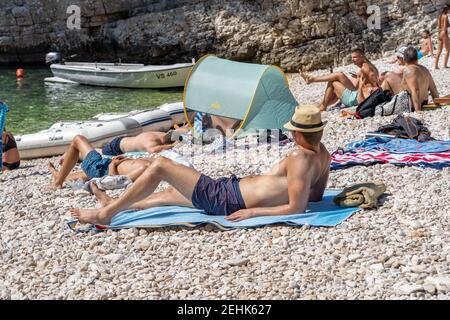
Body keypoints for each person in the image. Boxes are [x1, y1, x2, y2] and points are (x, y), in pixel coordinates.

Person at [70, 105, 331, 225]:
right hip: (229, 191)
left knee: (161, 165)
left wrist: (255, 212)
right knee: (172, 193)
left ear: (297, 134)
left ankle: (106, 214)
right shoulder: (323, 154)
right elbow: (316, 195)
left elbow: (298, 206)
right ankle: (117, 205)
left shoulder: (299, 157)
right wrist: (278, 192)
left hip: (227, 199)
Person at [49, 135, 157, 189]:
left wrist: (113, 165)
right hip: (104, 167)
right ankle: (57, 175)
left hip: (101, 168)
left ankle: (57, 182)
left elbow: (113, 181)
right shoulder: (154, 164)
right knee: (83, 175)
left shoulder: (145, 168)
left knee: (78, 139)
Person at [300, 48, 379, 111]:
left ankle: (312, 80)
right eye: (351, 57)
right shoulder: (368, 66)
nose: (352, 59)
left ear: (362, 56)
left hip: (355, 99)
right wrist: (358, 78)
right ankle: (321, 105)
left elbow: (356, 87)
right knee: (335, 85)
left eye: (355, 57)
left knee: (336, 78)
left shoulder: (365, 69)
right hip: (357, 96)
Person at [381, 47, 439, 111]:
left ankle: (379, 102)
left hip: (411, 105)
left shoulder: (409, 70)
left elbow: (415, 90)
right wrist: (438, 104)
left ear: (404, 58)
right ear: (417, 58)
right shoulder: (425, 69)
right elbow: (433, 89)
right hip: (423, 102)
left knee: (389, 76)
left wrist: (418, 111)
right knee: (390, 77)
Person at [101, 129, 184, 157]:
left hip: (123, 140)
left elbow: (175, 133)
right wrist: (172, 145)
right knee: (102, 152)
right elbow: (152, 150)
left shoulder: (161, 134)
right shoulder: (152, 141)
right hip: (115, 148)